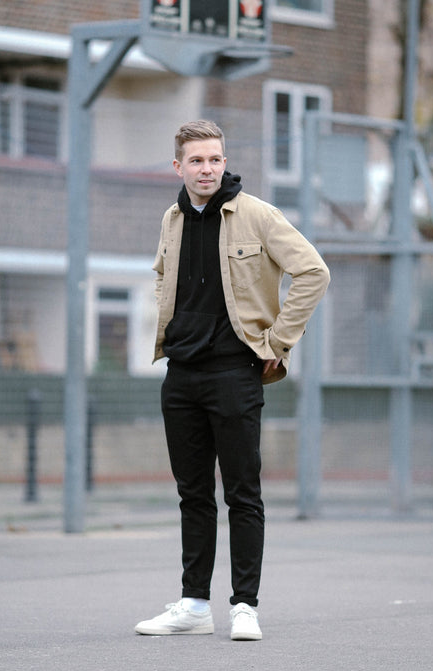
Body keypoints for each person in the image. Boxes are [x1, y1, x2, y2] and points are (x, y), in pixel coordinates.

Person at [135, 120, 330, 640]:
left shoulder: (258, 215)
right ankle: (194, 604)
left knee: (243, 493)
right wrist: (169, 321)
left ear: (224, 162)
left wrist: (278, 342)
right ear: (178, 166)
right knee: (192, 494)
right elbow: (160, 273)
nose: (207, 169)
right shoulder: (172, 219)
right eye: (196, 161)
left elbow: (313, 271)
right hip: (181, 374)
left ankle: (245, 605)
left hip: (234, 372)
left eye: (214, 160)